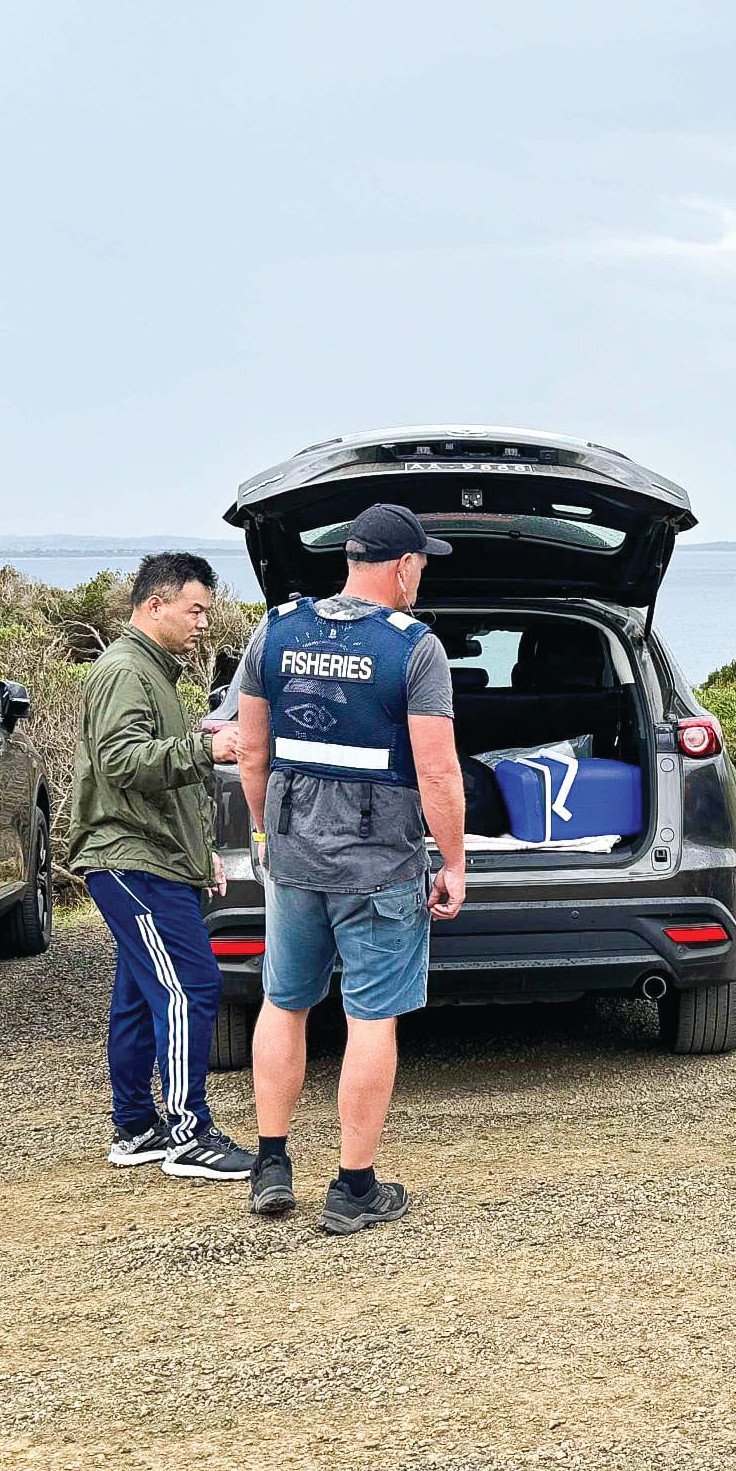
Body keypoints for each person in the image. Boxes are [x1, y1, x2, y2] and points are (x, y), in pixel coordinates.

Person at [236, 503, 466, 1234]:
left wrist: (267, 831)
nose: (420, 576)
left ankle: (270, 1164)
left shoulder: (275, 629)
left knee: (285, 1001)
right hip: (379, 866)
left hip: (296, 856)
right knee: (371, 1018)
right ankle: (353, 1188)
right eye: (421, 564)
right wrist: (454, 859)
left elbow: (250, 751)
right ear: (402, 566)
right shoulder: (413, 649)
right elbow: (437, 773)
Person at [70, 552, 255, 1179]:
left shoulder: (154, 674)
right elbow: (122, 761)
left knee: (138, 995)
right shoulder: (125, 671)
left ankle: (136, 1129)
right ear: (156, 606)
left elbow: (165, 780)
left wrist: (202, 857)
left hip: (156, 857)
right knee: (192, 985)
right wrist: (206, 745)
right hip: (130, 856)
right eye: (195, 609)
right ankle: (188, 1135)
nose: (204, 621)